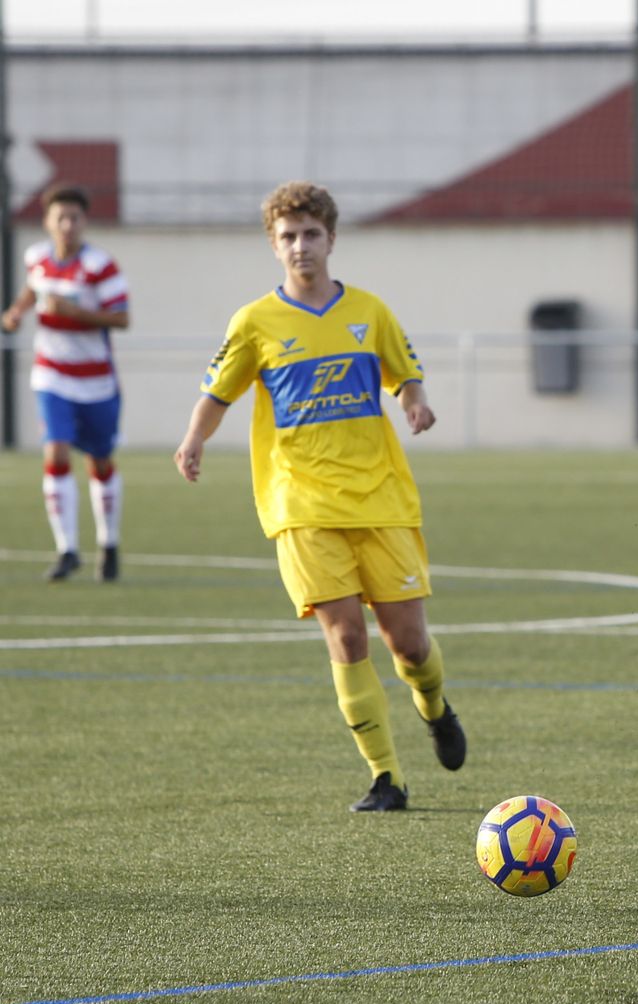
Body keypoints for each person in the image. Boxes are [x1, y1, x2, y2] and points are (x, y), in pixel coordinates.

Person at [174, 181, 465, 813]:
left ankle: (435, 707)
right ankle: (387, 777)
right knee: (347, 638)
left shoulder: (370, 311)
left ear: (331, 238)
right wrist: (194, 439)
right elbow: (217, 393)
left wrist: (415, 402)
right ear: (273, 245)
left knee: (409, 645)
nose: (300, 246)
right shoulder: (254, 323)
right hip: (300, 504)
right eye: (288, 236)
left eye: (311, 234)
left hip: (380, 498)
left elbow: (406, 374)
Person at [2, 183, 131, 582]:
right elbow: (32, 288)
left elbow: (122, 318)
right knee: (56, 451)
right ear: (47, 221)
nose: (68, 225)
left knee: (100, 460)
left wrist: (74, 312)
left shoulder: (100, 266)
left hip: (95, 381)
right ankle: (67, 549)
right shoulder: (37, 257)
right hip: (52, 374)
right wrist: (16, 312)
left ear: (84, 221)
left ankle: (109, 544)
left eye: (74, 217)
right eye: (61, 217)